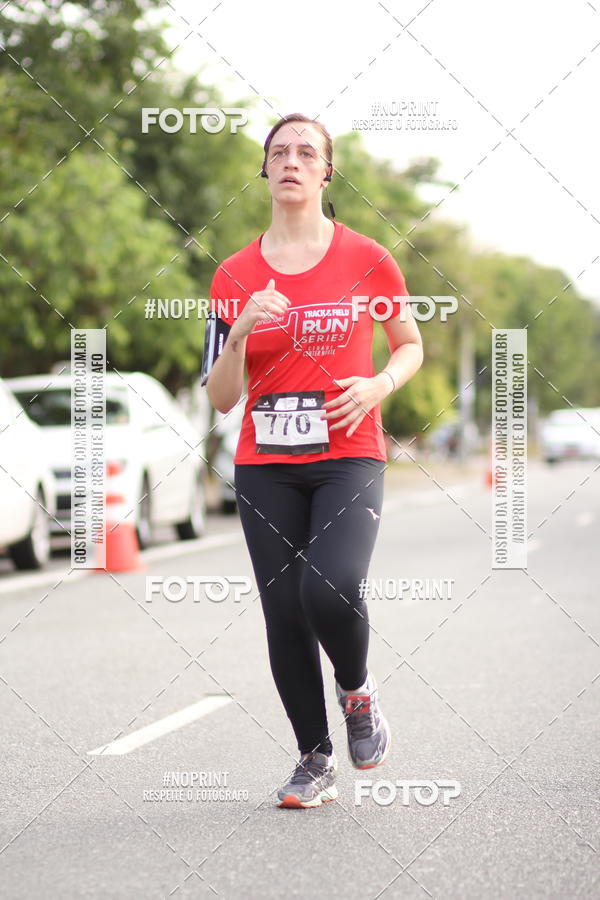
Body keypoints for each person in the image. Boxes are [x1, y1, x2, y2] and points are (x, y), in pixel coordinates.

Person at [205, 113, 423, 809]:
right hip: (265, 463)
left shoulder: (366, 258)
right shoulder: (234, 273)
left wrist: (380, 383)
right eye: (279, 152)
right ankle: (313, 758)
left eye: (307, 152)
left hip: (347, 453)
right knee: (283, 613)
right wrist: (238, 331)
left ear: (326, 172)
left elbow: (410, 344)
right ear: (264, 172)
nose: (291, 161)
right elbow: (219, 397)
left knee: (328, 587)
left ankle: (357, 692)